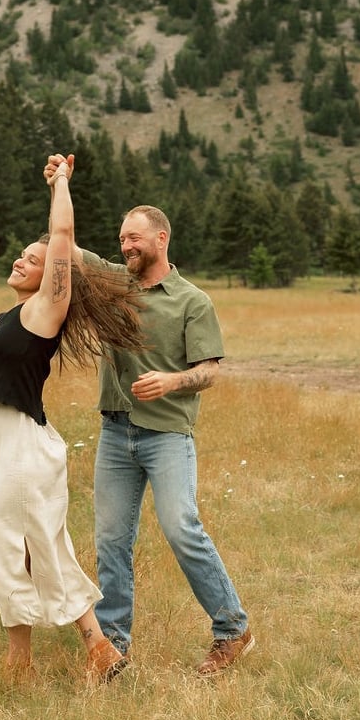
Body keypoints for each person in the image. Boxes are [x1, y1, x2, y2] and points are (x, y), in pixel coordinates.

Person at [43, 155, 254, 678]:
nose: (125, 246)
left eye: (134, 238)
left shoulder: (192, 301)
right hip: (116, 433)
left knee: (181, 528)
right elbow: (64, 243)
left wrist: (172, 381)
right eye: (121, 239)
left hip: (167, 435)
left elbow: (209, 370)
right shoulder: (114, 282)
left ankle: (233, 629)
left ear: (162, 238)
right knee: (111, 541)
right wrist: (60, 184)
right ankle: (112, 647)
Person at [0, 155, 145, 691]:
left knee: (21, 548)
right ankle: (94, 649)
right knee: (32, 547)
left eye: (34, 259)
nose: (21, 261)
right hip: (7, 448)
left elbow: (62, 233)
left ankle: (33, 662)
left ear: (53, 276)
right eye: (21, 255)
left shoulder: (45, 311)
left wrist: (60, 181)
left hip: (26, 446)